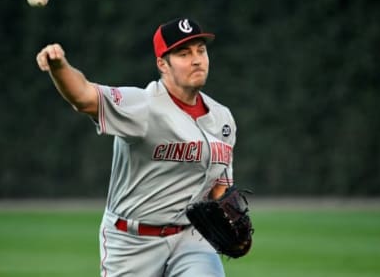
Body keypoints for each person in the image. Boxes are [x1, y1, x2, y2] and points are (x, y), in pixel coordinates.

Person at [36, 17, 237, 277]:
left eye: (201, 50)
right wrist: (59, 66)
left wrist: (229, 215)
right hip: (132, 242)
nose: (197, 59)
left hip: (191, 239)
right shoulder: (143, 106)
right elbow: (84, 97)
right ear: (162, 64)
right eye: (184, 53)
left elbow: (219, 186)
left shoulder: (223, 119)